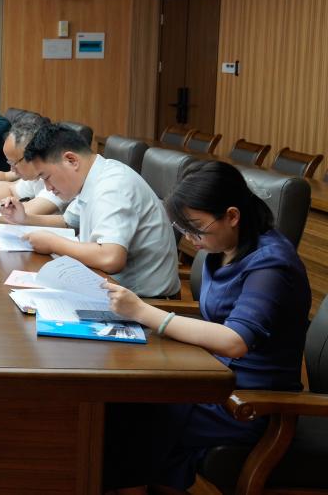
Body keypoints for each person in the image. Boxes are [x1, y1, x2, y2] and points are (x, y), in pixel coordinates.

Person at [103, 160, 311, 493]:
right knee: (117, 401)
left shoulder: (272, 264)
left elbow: (235, 340)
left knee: (125, 415)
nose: (189, 238)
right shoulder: (225, 245)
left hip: (245, 401)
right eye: (183, 228)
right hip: (210, 376)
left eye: (196, 228)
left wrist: (144, 312)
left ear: (232, 216)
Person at [1, 123, 179, 298]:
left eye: (46, 177)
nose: (48, 187)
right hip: (109, 289)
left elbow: (110, 258)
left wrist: (52, 243)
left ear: (71, 160)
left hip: (145, 303)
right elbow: (68, 222)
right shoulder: (94, 176)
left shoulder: (113, 186)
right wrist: (25, 219)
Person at [0, 112, 68, 216]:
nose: (11, 169)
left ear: (33, 154)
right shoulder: (35, 176)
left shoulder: (58, 177)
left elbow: (27, 212)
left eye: (14, 163)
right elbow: (12, 191)